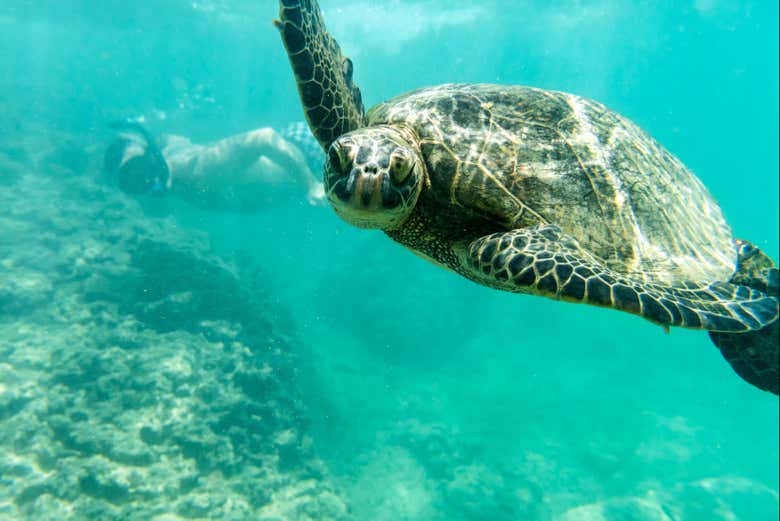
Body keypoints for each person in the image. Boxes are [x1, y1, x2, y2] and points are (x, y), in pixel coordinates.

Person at [104, 119, 325, 212]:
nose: (145, 182)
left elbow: (262, 138)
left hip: (315, 154)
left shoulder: (199, 172)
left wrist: (310, 184)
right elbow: (171, 138)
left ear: (151, 157)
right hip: (301, 147)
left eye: (139, 170)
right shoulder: (171, 151)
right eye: (130, 184)